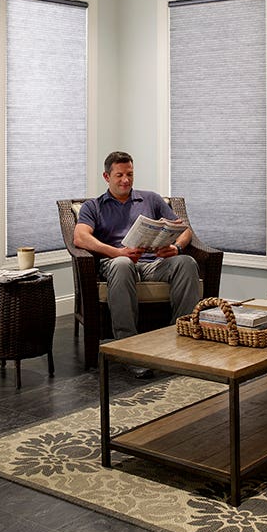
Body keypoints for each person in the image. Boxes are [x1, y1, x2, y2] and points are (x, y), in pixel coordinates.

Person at [74, 151, 200, 377]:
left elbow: (185, 230)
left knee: (186, 263)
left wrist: (176, 247)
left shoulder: (151, 199)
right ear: (106, 176)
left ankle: (178, 339)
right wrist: (117, 252)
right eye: (119, 175)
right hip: (117, 263)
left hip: (154, 263)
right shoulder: (93, 207)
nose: (126, 180)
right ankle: (128, 350)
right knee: (123, 264)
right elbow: (80, 238)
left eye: (130, 174)